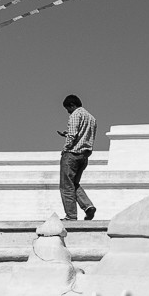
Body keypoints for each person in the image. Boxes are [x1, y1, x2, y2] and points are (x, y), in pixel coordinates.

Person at [58, 93, 97, 221]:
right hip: (84, 156)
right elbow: (82, 135)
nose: (68, 112)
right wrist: (67, 134)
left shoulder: (75, 114)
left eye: (67, 109)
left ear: (72, 105)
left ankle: (71, 216)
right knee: (74, 184)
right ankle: (88, 206)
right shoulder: (91, 118)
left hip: (72, 154)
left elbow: (73, 135)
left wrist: (65, 148)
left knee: (66, 186)